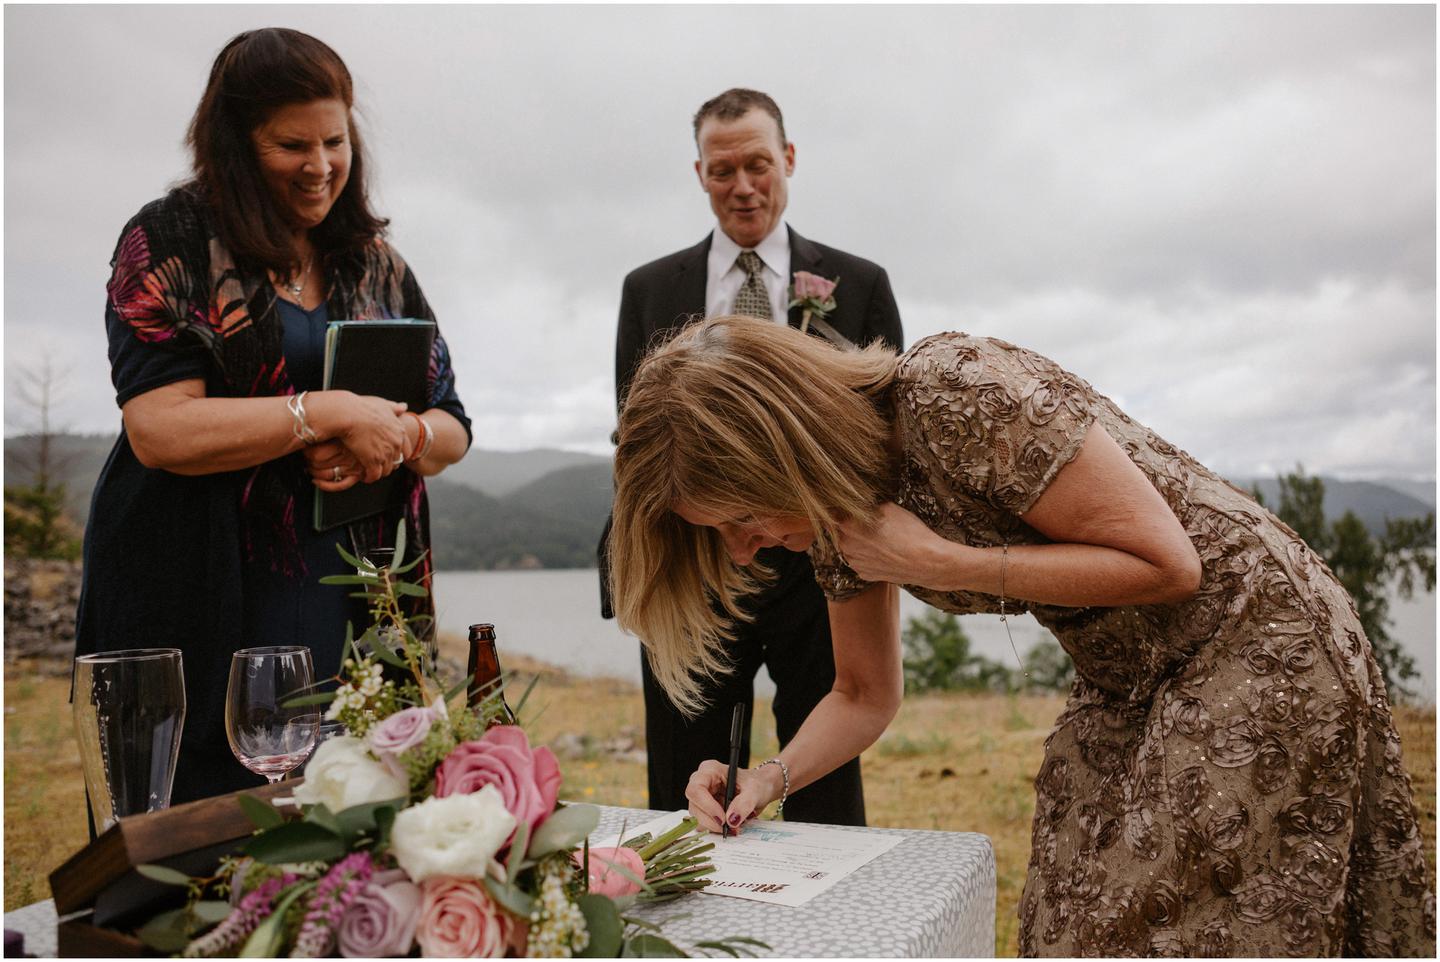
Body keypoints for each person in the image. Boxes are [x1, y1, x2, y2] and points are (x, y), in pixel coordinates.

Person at [608, 314, 1434, 956]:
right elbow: (862, 694)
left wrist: (940, 559)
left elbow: (1168, 563)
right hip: (1127, 679)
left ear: (782, 452)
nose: (744, 548)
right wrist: (767, 779)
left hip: (1256, 639)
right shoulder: (836, 522)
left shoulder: (956, 388)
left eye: (743, 518)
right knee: (1066, 916)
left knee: (1179, 925)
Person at [77, 28, 472, 806]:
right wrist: (321, 411)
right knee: (192, 862)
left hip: (356, 614)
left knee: (351, 847)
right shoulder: (170, 239)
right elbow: (159, 430)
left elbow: (451, 426)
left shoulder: (373, 261)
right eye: (292, 144)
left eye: (336, 140)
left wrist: (393, 439)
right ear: (235, 142)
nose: (322, 165)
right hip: (198, 605)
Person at [599, 88, 904, 825]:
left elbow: (885, 435)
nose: (742, 186)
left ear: (789, 160)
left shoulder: (858, 284)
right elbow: (637, 436)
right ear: (699, 173)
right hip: (700, 566)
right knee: (687, 771)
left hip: (820, 570)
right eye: (722, 169)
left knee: (823, 773)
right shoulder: (648, 288)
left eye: (759, 165)